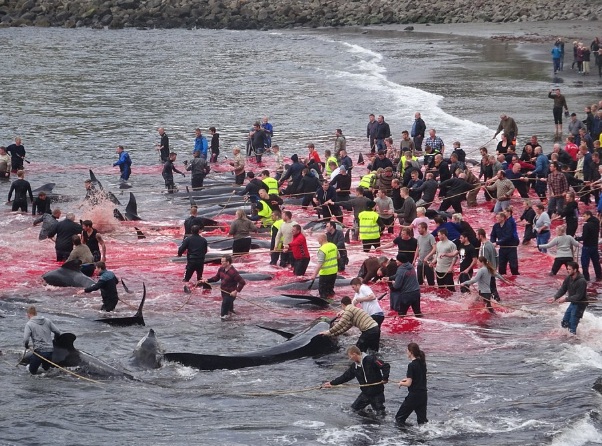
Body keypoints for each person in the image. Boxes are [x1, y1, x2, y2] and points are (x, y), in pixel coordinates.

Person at [321, 345, 390, 417]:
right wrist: (332, 383)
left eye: (350, 356)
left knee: (380, 415)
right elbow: (345, 377)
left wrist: (385, 378)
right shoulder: (354, 367)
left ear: (354, 354)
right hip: (365, 393)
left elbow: (385, 366)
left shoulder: (371, 359)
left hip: (377, 393)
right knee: (353, 410)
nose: (350, 358)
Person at [202, 255, 246, 321]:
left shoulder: (233, 272)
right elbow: (216, 278)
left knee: (223, 314)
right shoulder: (221, 269)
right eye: (221, 261)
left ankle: (223, 327)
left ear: (228, 262)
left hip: (230, 294)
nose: (221, 263)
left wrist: (236, 291)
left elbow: (242, 282)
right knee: (230, 311)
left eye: (223, 262)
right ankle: (234, 324)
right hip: (223, 292)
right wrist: (207, 280)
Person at [549, 261, 588, 335]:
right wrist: (555, 297)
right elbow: (563, 289)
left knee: (572, 324)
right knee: (565, 322)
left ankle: (572, 341)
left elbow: (578, 296)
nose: (567, 270)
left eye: (569, 269)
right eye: (567, 269)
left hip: (580, 304)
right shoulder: (568, 278)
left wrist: (565, 299)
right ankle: (565, 337)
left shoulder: (582, 281)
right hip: (573, 302)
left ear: (575, 270)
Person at [396, 342, 428, 426]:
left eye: (407, 350)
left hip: (414, 396)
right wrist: (405, 380)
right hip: (423, 395)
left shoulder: (411, 365)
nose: (406, 352)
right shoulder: (422, 363)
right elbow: (418, 377)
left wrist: (401, 383)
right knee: (422, 422)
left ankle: (408, 435)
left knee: (399, 418)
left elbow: (409, 384)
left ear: (411, 352)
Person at [23, 306, 62, 375]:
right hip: (50, 351)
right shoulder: (47, 321)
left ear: (28, 314)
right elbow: (58, 332)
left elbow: (26, 339)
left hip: (39, 352)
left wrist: (26, 346)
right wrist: (56, 339)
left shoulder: (29, 324)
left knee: (31, 372)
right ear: (36, 313)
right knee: (46, 372)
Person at [426, 228, 457, 292]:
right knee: (441, 290)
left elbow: (455, 257)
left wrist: (451, 267)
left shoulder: (451, 244)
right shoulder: (438, 243)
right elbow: (437, 255)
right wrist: (433, 262)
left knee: (451, 289)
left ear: (443, 235)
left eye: (439, 235)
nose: (438, 236)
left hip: (447, 270)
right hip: (438, 270)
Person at [575, 210, 602, 281]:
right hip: (594, 246)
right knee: (596, 263)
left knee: (585, 264)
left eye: (584, 216)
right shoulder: (597, 223)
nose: (583, 218)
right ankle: (599, 276)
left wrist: (577, 238)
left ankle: (586, 278)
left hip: (587, 247)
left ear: (588, 215)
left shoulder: (586, 225)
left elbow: (584, 237)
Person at [311, 233, 339, 299]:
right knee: (330, 291)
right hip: (334, 272)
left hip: (325, 274)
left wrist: (314, 275)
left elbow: (320, 264)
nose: (317, 241)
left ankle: (325, 307)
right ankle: (333, 303)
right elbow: (338, 257)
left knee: (323, 294)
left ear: (321, 239)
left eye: (318, 239)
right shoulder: (333, 245)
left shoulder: (322, 249)